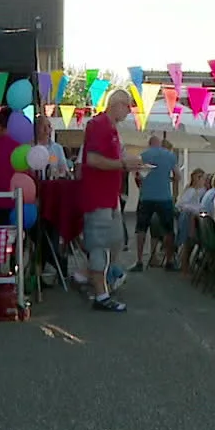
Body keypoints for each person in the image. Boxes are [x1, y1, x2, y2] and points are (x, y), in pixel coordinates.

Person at [78, 89, 145, 311]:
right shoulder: (98, 125)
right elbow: (93, 159)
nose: (129, 111)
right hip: (97, 195)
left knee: (115, 239)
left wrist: (129, 162)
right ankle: (100, 294)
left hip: (109, 196)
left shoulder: (112, 128)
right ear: (117, 104)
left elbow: (112, 158)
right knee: (99, 243)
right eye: (127, 106)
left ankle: (97, 279)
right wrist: (123, 164)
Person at [133, 134, 179, 272]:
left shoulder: (143, 156)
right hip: (164, 197)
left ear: (149, 144)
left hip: (146, 197)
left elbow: (138, 177)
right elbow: (178, 176)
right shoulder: (170, 156)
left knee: (141, 229)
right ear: (160, 144)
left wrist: (144, 185)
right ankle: (169, 261)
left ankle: (139, 260)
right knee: (168, 230)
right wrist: (167, 179)